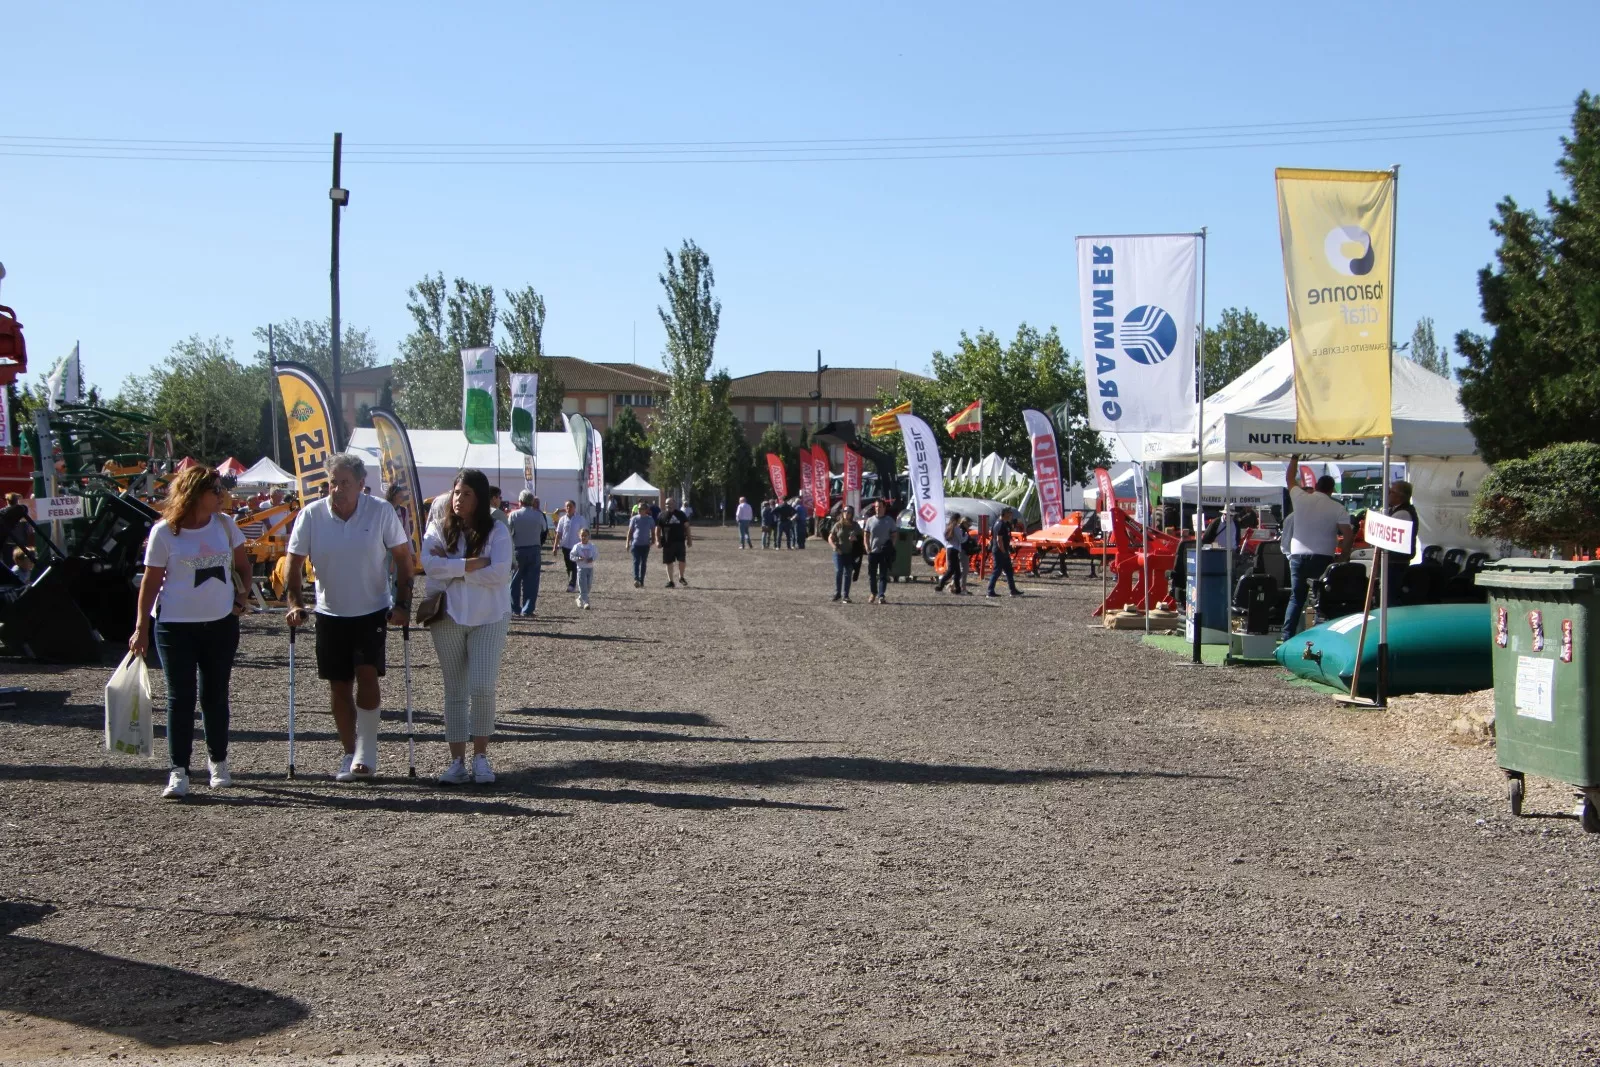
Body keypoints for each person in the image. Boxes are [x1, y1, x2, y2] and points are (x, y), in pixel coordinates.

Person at [284, 454, 412, 781]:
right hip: (330, 612)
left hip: (372, 610)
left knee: (367, 675)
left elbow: (403, 558)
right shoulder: (311, 516)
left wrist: (402, 604)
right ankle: (348, 751)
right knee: (339, 686)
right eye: (332, 483)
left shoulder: (381, 511)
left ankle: (366, 753)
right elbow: (294, 564)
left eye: (344, 483)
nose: (337, 489)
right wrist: (296, 603)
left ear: (360, 485)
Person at [129, 466, 251, 799]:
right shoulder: (165, 533)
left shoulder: (226, 526)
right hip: (174, 627)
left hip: (221, 624)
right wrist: (141, 627)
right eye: (215, 491)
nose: (221, 496)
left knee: (215, 696)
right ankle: (178, 770)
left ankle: (218, 762)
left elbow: (243, 566)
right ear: (195, 493)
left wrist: (241, 600)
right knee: (180, 697)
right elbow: (150, 583)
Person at [422, 468, 512, 785]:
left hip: (490, 616)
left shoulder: (497, 531)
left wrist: (452, 569)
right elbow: (429, 565)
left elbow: (500, 573)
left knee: (482, 687)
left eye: (467, 493)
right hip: (447, 617)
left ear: (481, 498)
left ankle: (481, 757)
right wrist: (472, 565)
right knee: (455, 691)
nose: (459, 499)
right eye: (457, 492)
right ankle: (457, 762)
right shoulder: (437, 527)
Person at [1281, 454, 1353, 640]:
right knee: (1320, 599)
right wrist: (1344, 556)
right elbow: (1348, 534)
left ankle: (1287, 637)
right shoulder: (1337, 508)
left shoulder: (1301, 498)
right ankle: (1318, 638)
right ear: (1331, 490)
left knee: (1296, 598)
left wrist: (1294, 459)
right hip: (1322, 556)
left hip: (1297, 556)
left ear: (1317, 487)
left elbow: (1289, 478)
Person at [508, 490, 547, 617]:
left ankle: (515, 608)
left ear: (520, 501)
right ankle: (528, 608)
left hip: (518, 549)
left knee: (515, 581)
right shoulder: (539, 515)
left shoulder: (513, 515)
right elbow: (544, 529)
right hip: (534, 549)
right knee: (532, 581)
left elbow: (509, 531)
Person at [862, 499, 897, 605]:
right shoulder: (870, 520)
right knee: (872, 575)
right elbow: (866, 534)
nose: (878, 509)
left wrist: (891, 546)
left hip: (884, 552)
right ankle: (873, 593)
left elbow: (894, 534)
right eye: (876, 507)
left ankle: (881, 595)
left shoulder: (889, 521)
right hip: (873, 551)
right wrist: (867, 546)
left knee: (883, 575)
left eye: (880, 507)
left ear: (884, 508)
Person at [828, 505, 863, 603]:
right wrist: (835, 547)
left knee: (848, 573)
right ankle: (837, 593)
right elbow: (830, 537)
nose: (846, 514)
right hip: (839, 552)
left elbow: (861, 537)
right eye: (845, 512)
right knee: (839, 571)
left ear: (852, 514)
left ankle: (845, 595)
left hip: (850, 553)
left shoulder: (855, 526)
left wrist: (855, 538)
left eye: (849, 512)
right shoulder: (838, 525)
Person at [986, 507, 1023, 598]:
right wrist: (1003, 551)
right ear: (1004, 514)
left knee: (1009, 571)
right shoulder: (1000, 524)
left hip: (1003, 550)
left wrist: (1008, 549)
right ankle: (990, 591)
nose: (1011, 514)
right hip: (999, 551)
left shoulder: (1005, 524)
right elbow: (999, 540)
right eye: (1009, 513)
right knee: (997, 571)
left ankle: (1013, 590)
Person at [657, 497, 692, 587]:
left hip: (680, 542)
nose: (669, 506)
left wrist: (689, 539)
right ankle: (671, 581)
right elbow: (658, 529)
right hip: (667, 543)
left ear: (675, 504)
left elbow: (687, 527)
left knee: (682, 560)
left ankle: (681, 577)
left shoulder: (681, 514)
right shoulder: (661, 515)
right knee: (669, 562)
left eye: (671, 504)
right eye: (667, 504)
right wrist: (658, 541)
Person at [554, 500, 587, 594]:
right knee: (568, 566)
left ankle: (572, 584)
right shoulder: (562, 519)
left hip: (576, 546)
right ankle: (571, 581)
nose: (568, 508)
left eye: (570, 506)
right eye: (567, 506)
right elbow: (558, 533)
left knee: (574, 565)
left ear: (574, 508)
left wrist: (584, 545)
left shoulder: (580, 519)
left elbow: (585, 533)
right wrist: (555, 546)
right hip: (565, 546)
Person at [934, 514, 967, 594]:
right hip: (954, 550)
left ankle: (957, 589)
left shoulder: (949, 527)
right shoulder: (956, 528)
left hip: (949, 549)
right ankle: (939, 587)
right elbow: (961, 540)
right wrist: (966, 535)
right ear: (957, 519)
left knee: (957, 572)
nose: (960, 520)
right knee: (951, 571)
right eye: (959, 519)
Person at [626, 503, 656, 587]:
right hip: (635, 544)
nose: (640, 510)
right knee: (636, 561)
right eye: (639, 509)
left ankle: (641, 580)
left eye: (642, 509)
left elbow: (653, 531)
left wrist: (653, 540)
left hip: (645, 544)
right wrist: (627, 543)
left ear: (646, 510)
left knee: (643, 562)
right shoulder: (634, 519)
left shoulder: (650, 519)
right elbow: (630, 531)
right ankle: (636, 579)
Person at [571, 526, 598, 609]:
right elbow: (572, 556)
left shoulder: (592, 546)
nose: (584, 537)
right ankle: (586, 602)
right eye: (582, 535)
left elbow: (596, 555)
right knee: (583, 586)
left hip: (590, 568)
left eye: (585, 535)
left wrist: (592, 559)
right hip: (581, 568)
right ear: (579, 536)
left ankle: (579, 599)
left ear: (588, 536)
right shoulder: (577, 546)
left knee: (588, 586)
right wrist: (578, 558)